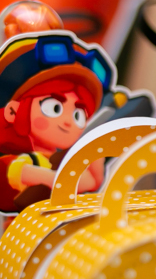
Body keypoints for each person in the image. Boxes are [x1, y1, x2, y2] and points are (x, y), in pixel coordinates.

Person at [0, 30, 113, 213]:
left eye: (79, 115)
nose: (68, 122)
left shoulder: (58, 161)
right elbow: (70, 183)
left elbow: (93, 182)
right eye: (54, 108)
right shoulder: (15, 163)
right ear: (13, 110)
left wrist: (97, 148)